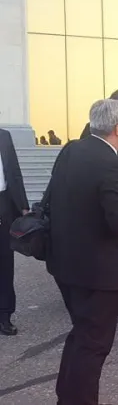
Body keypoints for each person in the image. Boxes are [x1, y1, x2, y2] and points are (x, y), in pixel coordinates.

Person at [47, 99, 118, 404]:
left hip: (65, 261)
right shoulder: (113, 165)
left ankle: (67, 396)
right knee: (94, 344)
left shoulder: (72, 149)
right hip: (98, 270)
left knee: (81, 335)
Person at [0, 128, 29, 336]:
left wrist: (23, 205)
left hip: (3, 204)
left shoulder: (4, 136)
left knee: (4, 262)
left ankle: (4, 316)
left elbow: (14, 172)